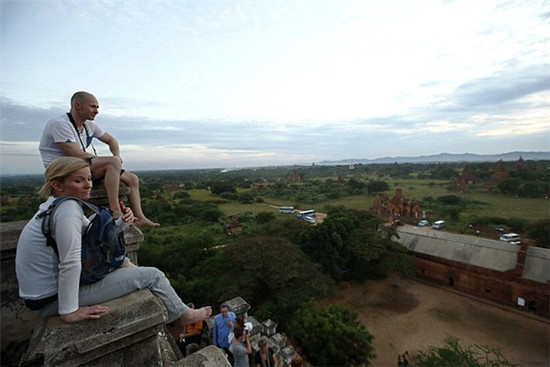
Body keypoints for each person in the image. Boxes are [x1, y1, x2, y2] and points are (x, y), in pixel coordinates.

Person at [15, 157, 211, 334]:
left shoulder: (57, 205)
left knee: (122, 261)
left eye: (89, 179)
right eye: (78, 180)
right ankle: (183, 315)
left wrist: (121, 222)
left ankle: (143, 283)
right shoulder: (67, 211)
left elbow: (90, 233)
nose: (88, 185)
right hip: (51, 299)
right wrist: (69, 312)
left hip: (45, 294)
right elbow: (70, 262)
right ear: (57, 185)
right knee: (154, 276)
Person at [38, 91, 159, 227]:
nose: (96, 111)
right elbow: (74, 153)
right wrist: (112, 162)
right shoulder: (59, 124)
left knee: (132, 179)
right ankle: (115, 211)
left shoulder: (88, 125)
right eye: (93, 107)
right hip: (62, 169)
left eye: (97, 108)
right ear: (77, 105)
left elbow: (111, 140)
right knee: (112, 163)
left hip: (79, 166)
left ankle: (140, 218)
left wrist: (116, 156)